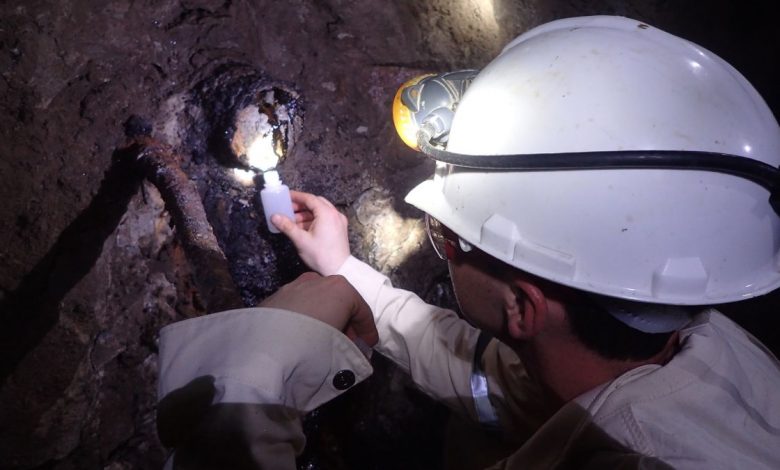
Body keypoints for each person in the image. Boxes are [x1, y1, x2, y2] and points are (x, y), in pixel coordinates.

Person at [157, 16, 780, 469]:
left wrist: (253, 369)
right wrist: (349, 271)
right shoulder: (697, 348)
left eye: (449, 237)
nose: (444, 246)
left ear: (524, 308)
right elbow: (496, 382)